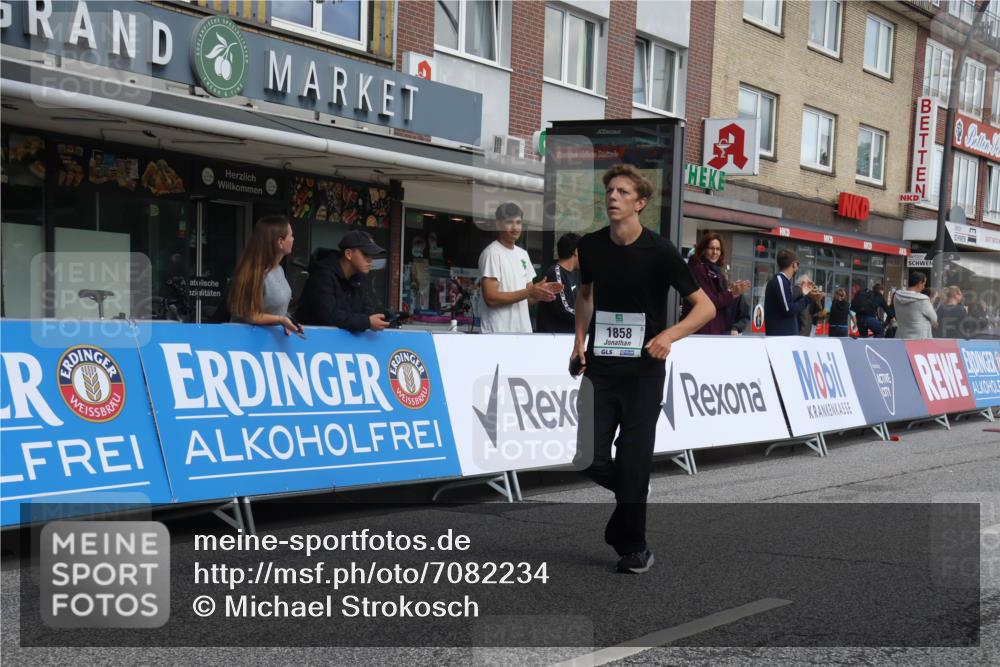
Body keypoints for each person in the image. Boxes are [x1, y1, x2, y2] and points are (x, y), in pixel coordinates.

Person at [570, 164, 715, 574]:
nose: (612, 197)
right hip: (600, 367)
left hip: (644, 372)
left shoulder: (661, 251)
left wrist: (669, 336)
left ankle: (634, 548)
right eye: (609, 191)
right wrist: (578, 342)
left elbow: (704, 307)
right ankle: (633, 489)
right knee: (589, 457)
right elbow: (585, 296)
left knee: (632, 460)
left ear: (640, 202)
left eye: (622, 191)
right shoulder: (592, 246)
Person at [478, 202, 562, 333]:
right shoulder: (492, 253)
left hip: (523, 333)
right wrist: (530, 292)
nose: (515, 227)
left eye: (518, 222)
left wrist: (539, 294)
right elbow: (491, 298)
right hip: (497, 334)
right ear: (498, 224)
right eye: (509, 222)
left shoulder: (523, 254)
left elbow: (525, 299)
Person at [295, 230, 390, 332]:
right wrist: (367, 322)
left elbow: (367, 308)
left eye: (372, 255)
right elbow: (329, 316)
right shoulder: (322, 276)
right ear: (348, 254)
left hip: (339, 344)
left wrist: (383, 320)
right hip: (309, 342)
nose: (370, 260)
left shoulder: (359, 277)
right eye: (365, 253)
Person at [228, 215, 301, 337]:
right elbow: (251, 315)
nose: (293, 239)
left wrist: (290, 322)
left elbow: (277, 309)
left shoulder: (279, 270)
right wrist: (280, 320)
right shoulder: (253, 273)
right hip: (244, 343)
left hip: (269, 343)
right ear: (280, 242)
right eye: (291, 236)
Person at [680, 232, 749, 334]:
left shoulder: (717, 272)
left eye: (718, 249)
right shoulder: (698, 269)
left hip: (714, 329)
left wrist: (733, 290)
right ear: (703, 250)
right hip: (701, 330)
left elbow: (722, 299)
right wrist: (732, 293)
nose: (715, 252)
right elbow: (709, 302)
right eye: (711, 248)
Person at [537, 233, 581, 334]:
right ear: (576, 252)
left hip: (571, 337)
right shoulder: (555, 272)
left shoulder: (578, 273)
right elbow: (565, 308)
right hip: (554, 340)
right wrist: (589, 317)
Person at [763, 249, 812, 336]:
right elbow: (788, 309)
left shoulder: (784, 281)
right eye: (798, 264)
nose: (798, 266)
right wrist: (808, 299)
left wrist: (803, 294)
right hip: (781, 338)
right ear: (794, 264)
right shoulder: (780, 280)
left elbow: (788, 305)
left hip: (785, 337)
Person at [893, 271, 937, 340]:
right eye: (924, 284)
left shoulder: (897, 296)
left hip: (901, 338)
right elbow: (934, 318)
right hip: (919, 341)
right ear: (919, 283)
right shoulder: (923, 300)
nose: (923, 287)